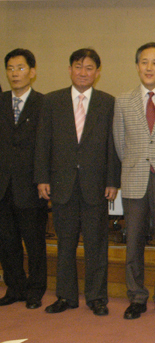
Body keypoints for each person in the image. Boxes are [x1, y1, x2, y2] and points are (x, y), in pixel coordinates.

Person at [35, 48, 119, 316]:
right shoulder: (52, 101)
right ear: (70, 70)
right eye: (78, 67)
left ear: (98, 72)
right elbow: (43, 142)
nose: (83, 72)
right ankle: (65, 296)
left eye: (89, 67)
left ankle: (97, 297)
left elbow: (113, 145)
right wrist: (42, 178)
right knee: (65, 244)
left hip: (96, 185)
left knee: (97, 244)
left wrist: (112, 181)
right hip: (62, 184)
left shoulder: (108, 102)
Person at [113, 42, 155, 320]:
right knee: (133, 243)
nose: (149, 67)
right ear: (137, 65)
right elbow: (120, 143)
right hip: (134, 179)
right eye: (144, 62)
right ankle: (137, 297)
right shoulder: (123, 101)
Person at [0, 49, 46, 309]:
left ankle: (36, 290)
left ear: (32, 71)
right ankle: (14, 287)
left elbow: (47, 147)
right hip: (3, 186)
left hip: (31, 185)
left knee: (35, 243)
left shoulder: (44, 104)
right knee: (7, 242)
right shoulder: (1, 101)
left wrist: (43, 179)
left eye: (20, 68)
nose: (14, 73)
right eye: (10, 68)